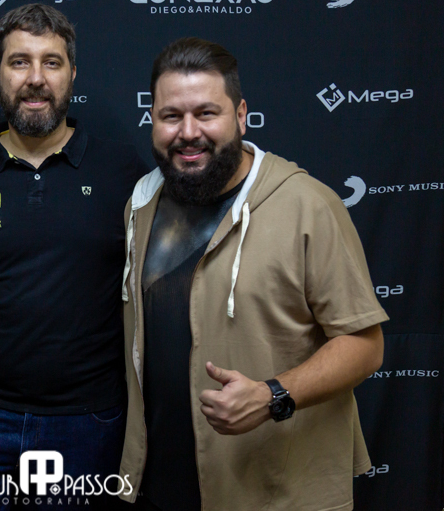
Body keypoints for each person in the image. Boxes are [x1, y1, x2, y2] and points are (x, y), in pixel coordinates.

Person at [119, 37, 388, 511]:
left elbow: (365, 346)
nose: (188, 132)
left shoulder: (308, 205)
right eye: (170, 116)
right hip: (160, 485)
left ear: (241, 115)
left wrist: (272, 395)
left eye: (206, 113)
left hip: (277, 491)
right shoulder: (142, 204)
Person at [0, 4, 151, 509]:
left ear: (72, 75)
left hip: (85, 424)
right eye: (20, 62)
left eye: (52, 62)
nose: (36, 78)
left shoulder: (123, 170)